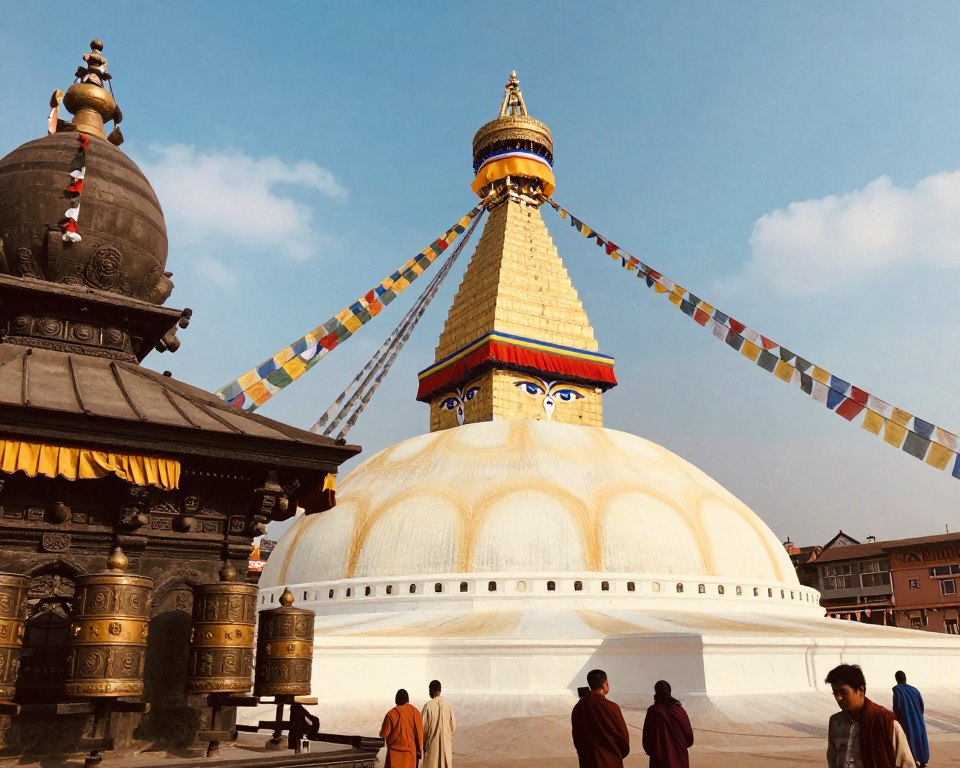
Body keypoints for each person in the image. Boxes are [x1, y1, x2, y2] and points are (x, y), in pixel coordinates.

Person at [825, 664, 916, 768]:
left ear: (860, 691)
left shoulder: (885, 721)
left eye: (843, 692)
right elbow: (832, 759)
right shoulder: (835, 722)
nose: (838, 698)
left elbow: (906, 763)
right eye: (835, 694)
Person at [571, 669, 630, 768]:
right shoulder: (611, 707)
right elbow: (623, 736)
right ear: (604, 684)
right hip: (610, 761)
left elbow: (577, 736)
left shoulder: (579, 707)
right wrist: (616, 755)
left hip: (588, 761)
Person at [641, 680, 694, 768]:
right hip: (679, 757)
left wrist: (652, 751)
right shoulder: (679, 710)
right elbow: (688, 735)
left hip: (659, 759)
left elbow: (647, 738)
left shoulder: (653, 711)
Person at [892, 671, 929, 768]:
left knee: (909, 740)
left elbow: (897, 707)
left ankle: (913, 760)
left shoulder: (897, 690)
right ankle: (923, 760)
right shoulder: (915, 690)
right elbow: (922, 706)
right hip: (918, 719)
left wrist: (896, 718)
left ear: (896, 679)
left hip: (906, 720)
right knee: (920, 739)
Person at [380, 689, 423, 768]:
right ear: (407, 699)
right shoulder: (416, 712)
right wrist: (419, 750)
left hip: (394, 756)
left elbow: (384, 735)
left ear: (396, 700)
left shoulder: (391, 714)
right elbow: (419, 734)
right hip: (411, 755)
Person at [422, 679, 456, 768]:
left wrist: (424, 743)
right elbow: (453, 726)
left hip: (432, 746)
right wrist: (447, 737)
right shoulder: (448, 705)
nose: (429, 693)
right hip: (446, 746)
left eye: (429, 690)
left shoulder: (428, 706)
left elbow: (423, 727)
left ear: (432, 691)